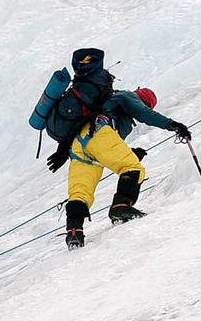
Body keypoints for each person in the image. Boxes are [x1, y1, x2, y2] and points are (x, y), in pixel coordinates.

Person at [60, 87, 191, 249]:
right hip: (97, 132)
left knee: (80, 192)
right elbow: (144, 114)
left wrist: (129, 152)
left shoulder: (113, 104)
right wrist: (172, 125)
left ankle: (74, 232)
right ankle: (121, 207)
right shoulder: (128, 97)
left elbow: (107, 148)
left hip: (78, 145)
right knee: (133, 168)